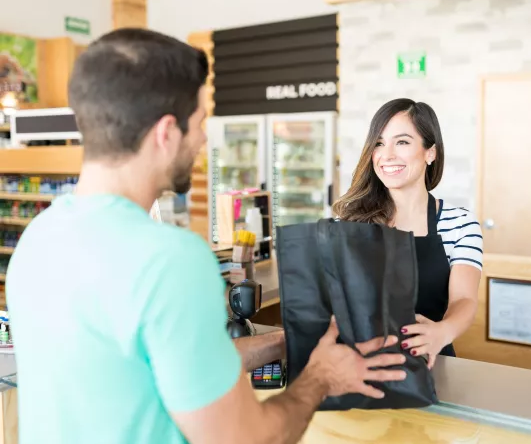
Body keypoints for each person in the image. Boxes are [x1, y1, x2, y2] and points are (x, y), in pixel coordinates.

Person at [6, 29, 407, 444]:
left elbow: (163, 364)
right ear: (165, 132)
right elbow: (248, 439)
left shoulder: (38, 239)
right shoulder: (170, 259)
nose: (203, 139)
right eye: (199, 124)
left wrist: (284, 342)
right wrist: (320, 379)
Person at [333, 98, 483, 369]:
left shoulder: (459, 224)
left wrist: (443, 331)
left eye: (402, 142)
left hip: (428, 365)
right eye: (379, 143)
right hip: (358, 367)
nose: (387, 155)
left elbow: (464, 299)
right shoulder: (347, 222)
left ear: (430, 153)